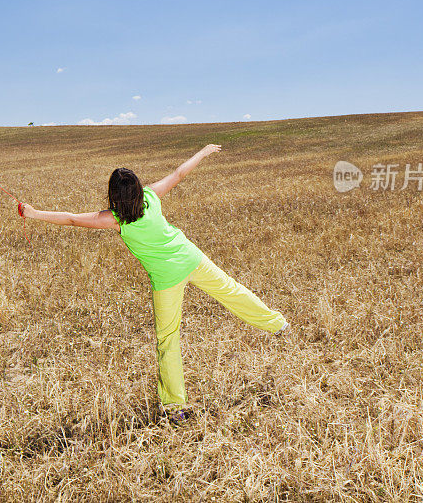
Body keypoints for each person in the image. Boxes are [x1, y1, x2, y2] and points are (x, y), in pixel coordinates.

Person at [19, 144, 288, 414]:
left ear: (114, 195)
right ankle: (277, 324)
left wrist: (33, 213)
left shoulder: (115, 219)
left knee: (168, 339)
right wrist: (203, 152)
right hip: (191, 258)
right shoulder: (151, 196)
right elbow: (179, 174)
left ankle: (174, 406)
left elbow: (72, 219)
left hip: (166, 279)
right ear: (137, 188)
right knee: (232, 291)